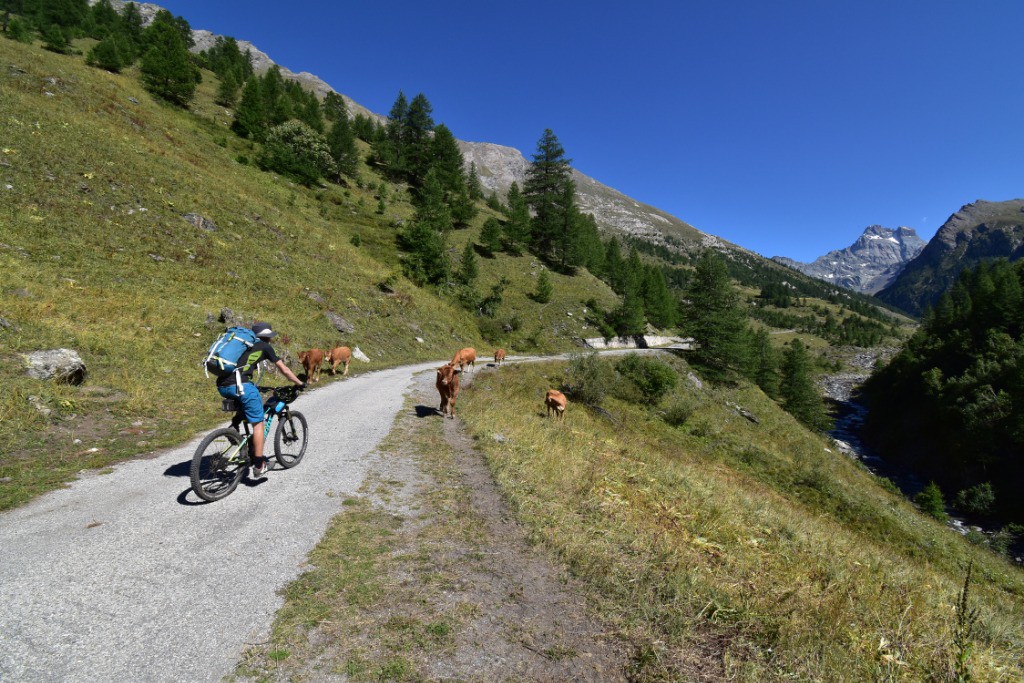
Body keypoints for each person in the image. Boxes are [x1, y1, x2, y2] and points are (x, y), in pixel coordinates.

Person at [216, 322, 305, 478]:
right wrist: (299, 383)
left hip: (223, 385)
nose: (270, 340)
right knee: (259, 423)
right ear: (266, 337)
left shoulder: (242, 345)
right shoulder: (264, 346)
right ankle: (259, 464)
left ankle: (234, 428)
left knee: (246, 407)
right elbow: (283, 369)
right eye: (269, 337)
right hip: (241, 385)